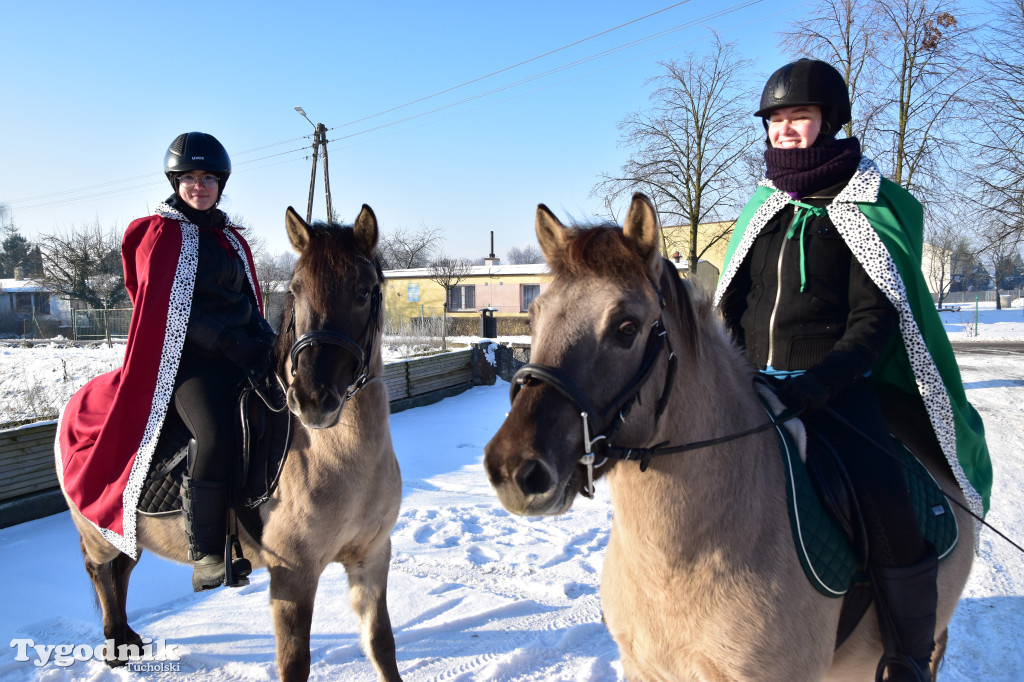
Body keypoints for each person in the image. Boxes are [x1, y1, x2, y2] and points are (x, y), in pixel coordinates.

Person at [713, 60, 991, 682]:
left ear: (829, 122)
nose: (785, 131)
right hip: (750, 383)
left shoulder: (870, 209)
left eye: (799, 118)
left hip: (836, 391)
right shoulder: (763, 209)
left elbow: (873, 322)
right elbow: (731, 305)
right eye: (776, 121)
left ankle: (905, 651)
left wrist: (821, 382)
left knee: (883, 496)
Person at [57, 132, 275, 591]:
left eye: (208, 177)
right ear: (176, 182)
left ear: (221, 182)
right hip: (188, 364)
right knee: (215, 433)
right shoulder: (160, 233)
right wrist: (225, 344)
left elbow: (249, 302)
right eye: (190, 178)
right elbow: (164, 309)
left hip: (241, 356)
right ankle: (208, 553)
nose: (200, 186)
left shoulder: (231, 238)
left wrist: (266, 342)